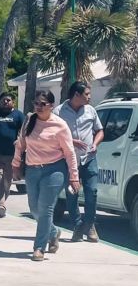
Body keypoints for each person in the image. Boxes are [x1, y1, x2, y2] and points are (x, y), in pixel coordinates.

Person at [14, 90, 80, 261]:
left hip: (54, 170)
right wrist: (15, 165)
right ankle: (53, 231)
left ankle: (39, 247)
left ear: (51, 105)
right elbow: (20, 144)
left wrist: (74, 176)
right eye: (36, 103)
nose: (39, 107)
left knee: (45, 208)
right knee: (34, 209)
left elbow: (70, 152)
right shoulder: (30, 120)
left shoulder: (60, 125)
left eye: (43, 104)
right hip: (32, 169)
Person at [53, 82, 104, 242]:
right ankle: (77, 225)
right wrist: (71, 142)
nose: (89, 97)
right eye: (86, 94)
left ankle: (89, 225)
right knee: (71, 193)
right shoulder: (59, 111)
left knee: (92, 192)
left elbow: (100, 130)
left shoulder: (91, 110)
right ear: (76, 95)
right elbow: (53, 134)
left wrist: (95, 143)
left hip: (89, 159)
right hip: (69, 159)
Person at [0, 92, 24, 217]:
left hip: (11, 154)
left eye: (8, 100)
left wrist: (19, 140)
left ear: (13, 102)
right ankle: (1, 204)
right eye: (3, 100)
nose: (5, 102)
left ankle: (1, 203)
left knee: (7, 180)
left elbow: (24, 131)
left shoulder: (18, 115)